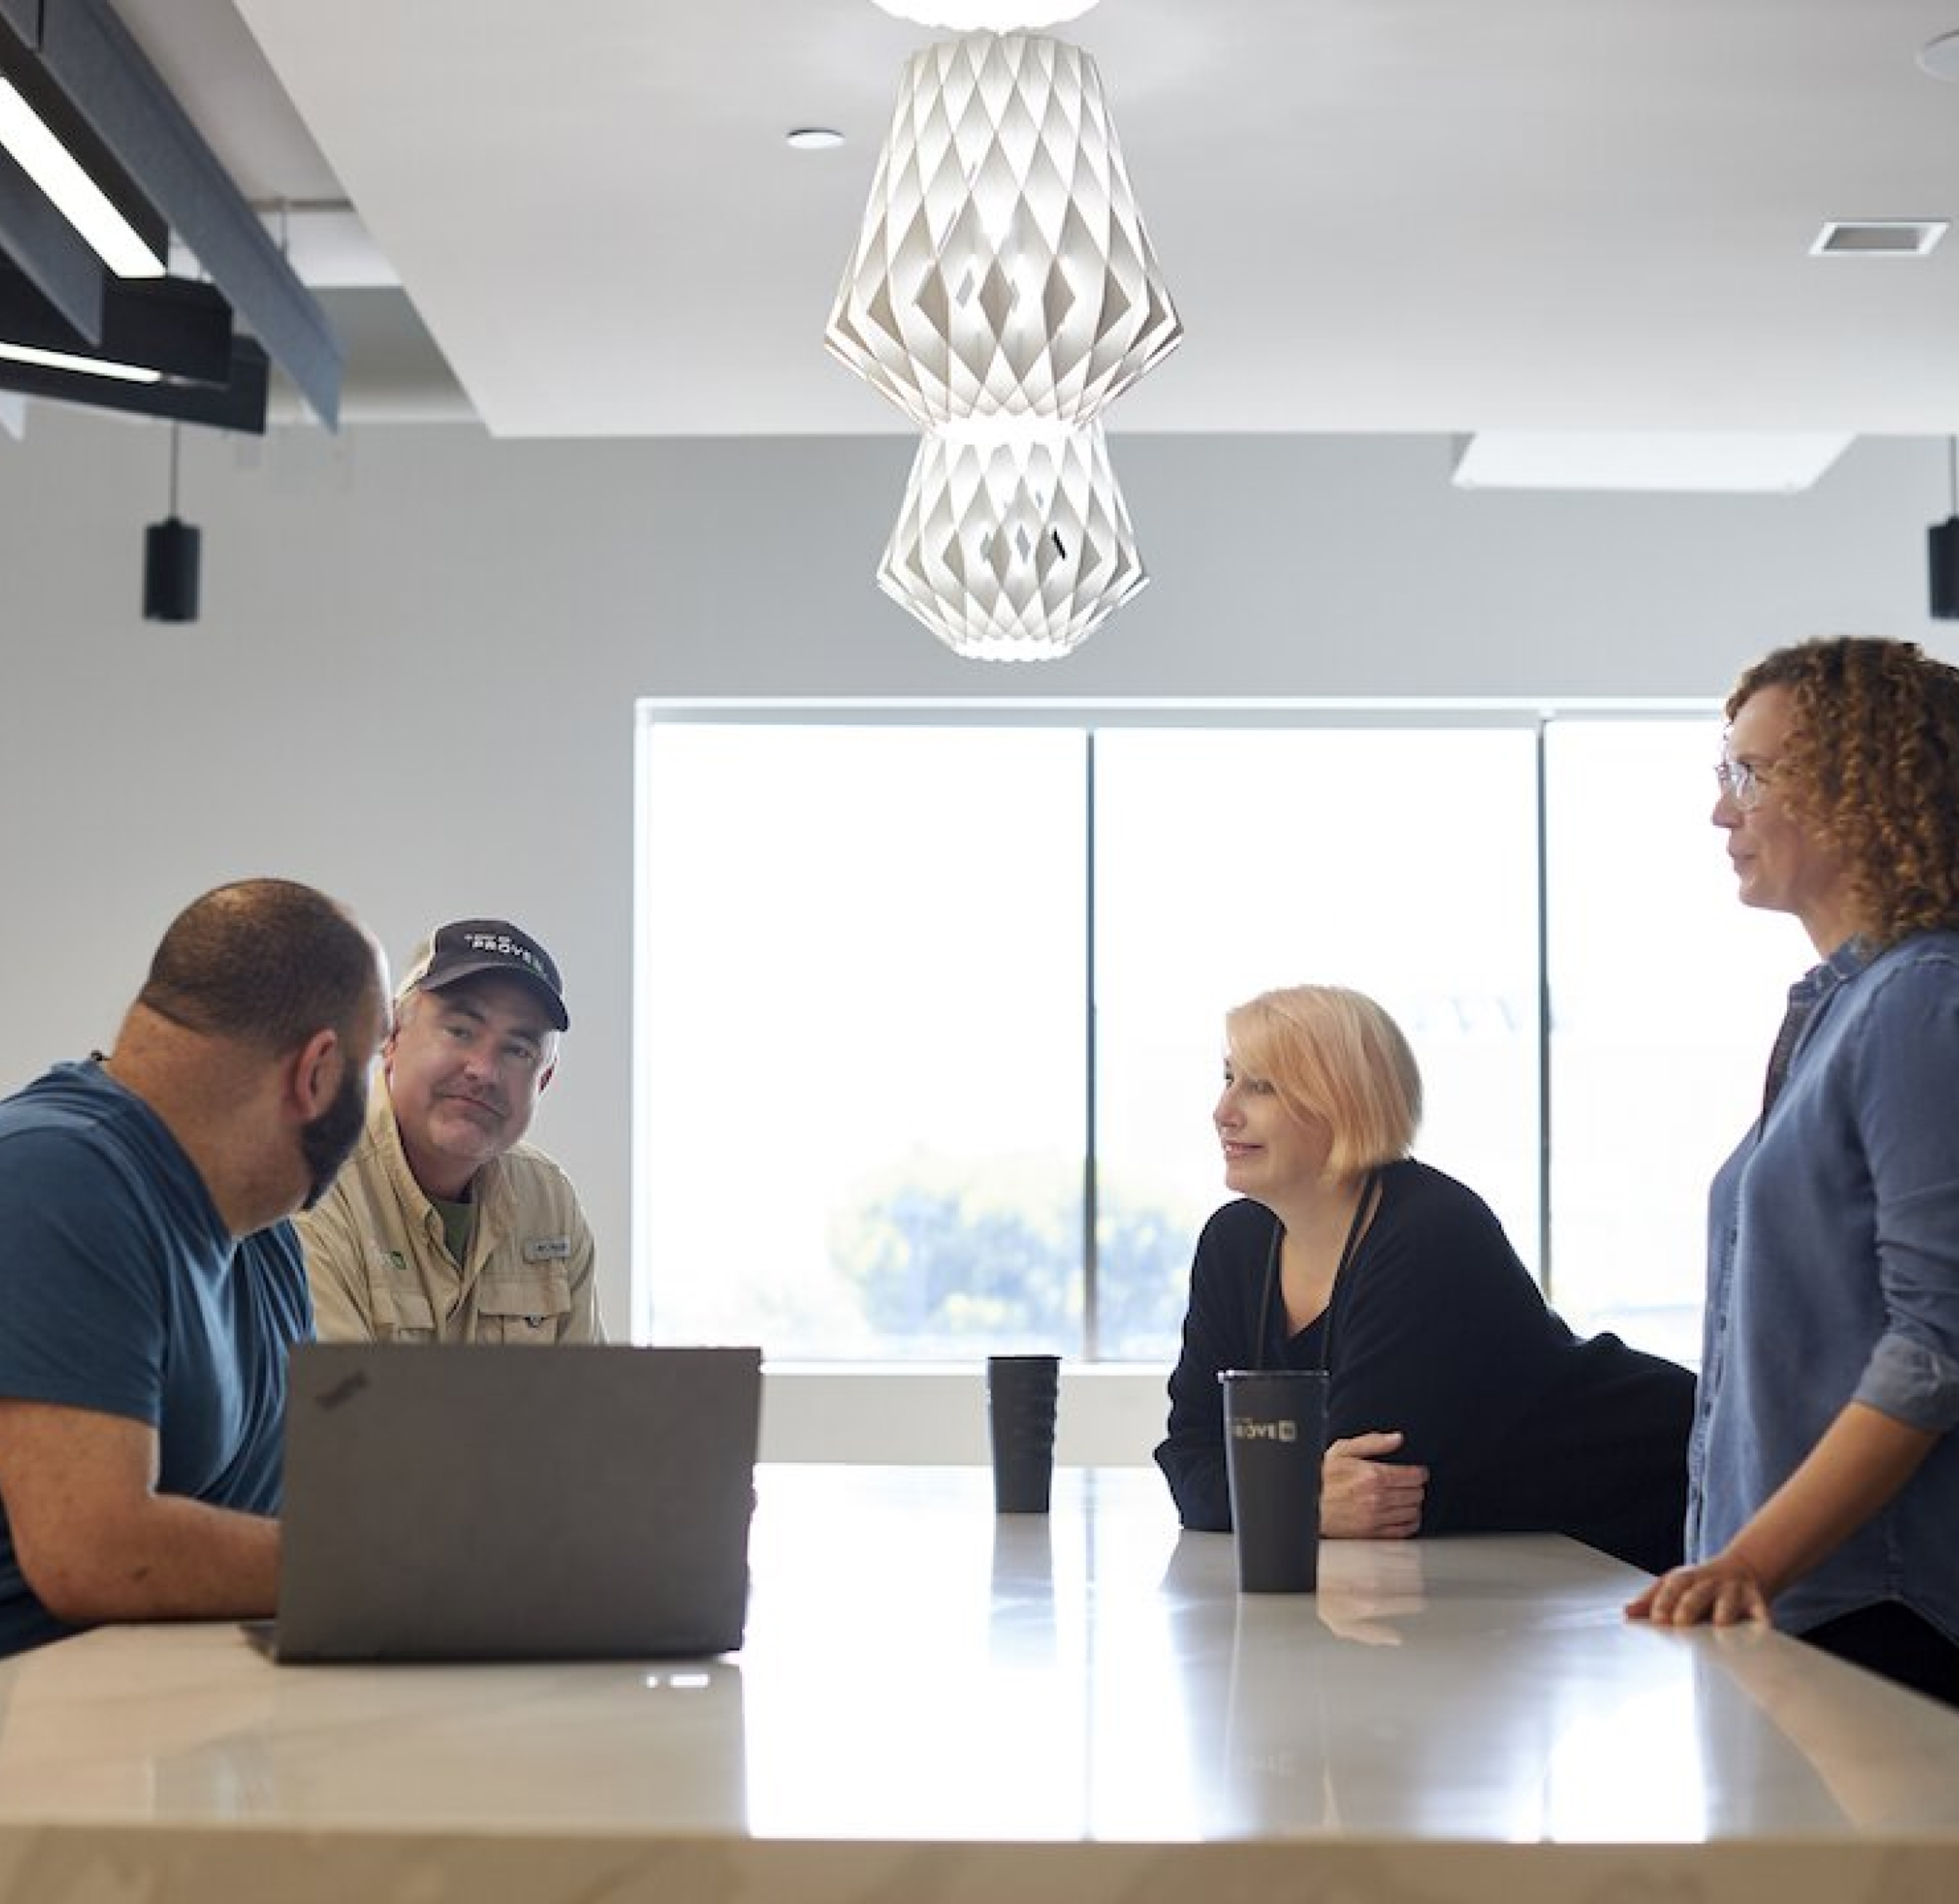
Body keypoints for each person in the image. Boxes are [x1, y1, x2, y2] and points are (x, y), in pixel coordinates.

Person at [1627, 636, 1959, 1706]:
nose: (1724, 812)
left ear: (1872, 787)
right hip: (1805, 1600)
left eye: (1750, 775)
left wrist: (1751, 1560)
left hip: (1882, 1605)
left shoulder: (1921, 1001)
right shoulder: (1845, 1005)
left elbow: (1939, 1346)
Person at [1156, 984, 1694, 1573]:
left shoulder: (1431, 1231)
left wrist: (1279, 1493)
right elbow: (1189, 1452)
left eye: (1261, 1086)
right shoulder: (1236, 1242)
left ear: (1343, 1100)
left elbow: (1374, 1488)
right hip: (1520, 1561)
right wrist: (1302, 1496)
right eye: (1228, 1077)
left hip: (1669, 1497)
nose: (1223, 1110)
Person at [0, 878, 390, 1656]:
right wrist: (408, 1570)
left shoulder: (265, 1232)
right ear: (316, 1073)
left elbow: (286, 1522)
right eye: (373, 1059)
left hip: (195, 1737)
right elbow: (98, 1552)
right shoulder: (53, 1177)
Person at [296, 917, 602, 1343]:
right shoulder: (316, 1185)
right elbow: (342, 1405)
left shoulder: (549, 1202)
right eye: (460, 1031)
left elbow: (588, 1403)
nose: (484, 1070)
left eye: (518, 1049)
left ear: (544, 1080)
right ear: (392, 1037)